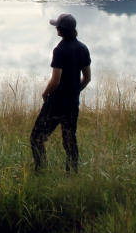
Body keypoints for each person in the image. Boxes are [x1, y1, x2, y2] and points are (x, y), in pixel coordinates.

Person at [30, 13, 91, 172]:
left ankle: (41, 170)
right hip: (72, 104)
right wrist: (75, 91)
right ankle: (72, 173)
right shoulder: (83, 48)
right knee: (70, 139)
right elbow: (87, 78)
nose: (56, 28)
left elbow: (55, 80)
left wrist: (45, 93)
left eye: (57, 26)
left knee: (37, 138)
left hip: (56, 103)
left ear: (60, 30)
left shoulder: (60, 50)